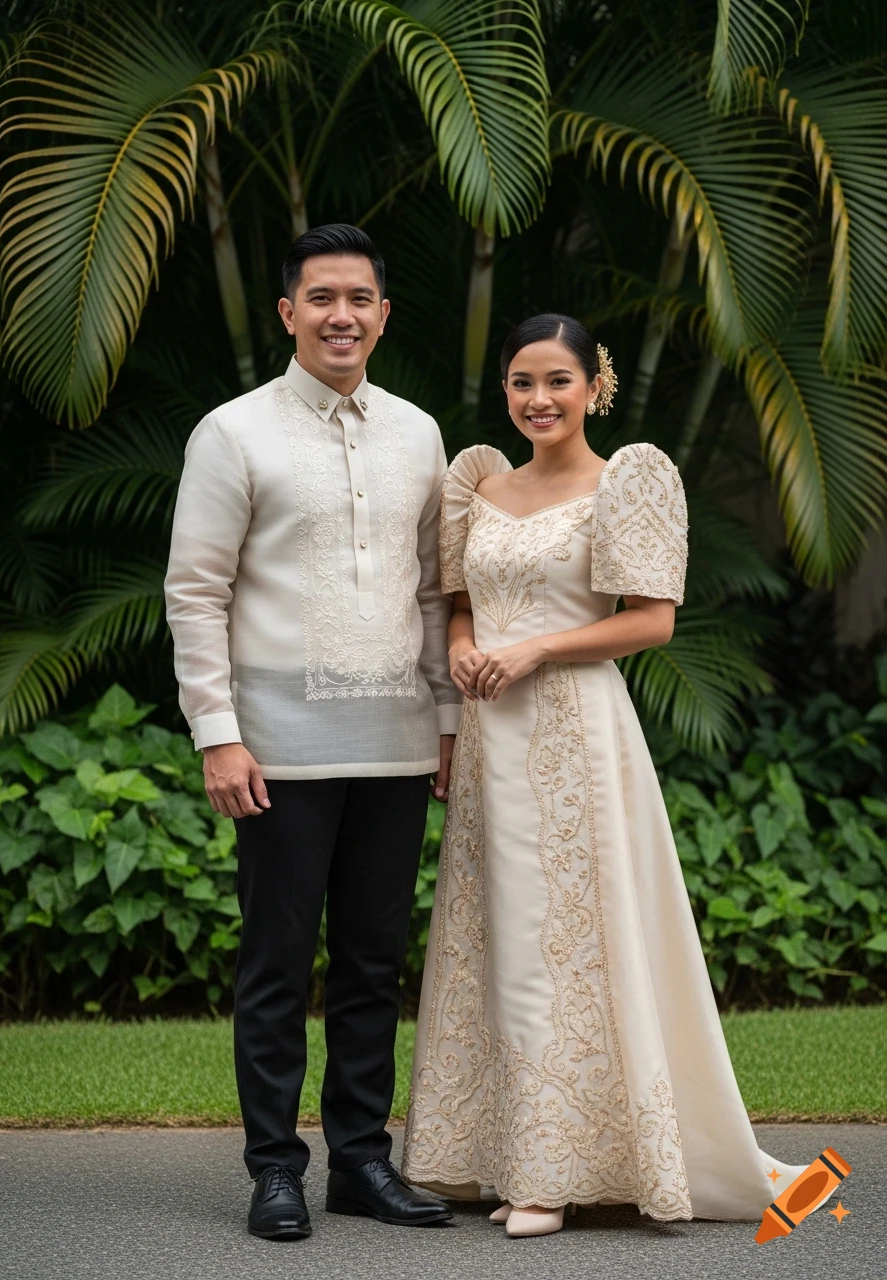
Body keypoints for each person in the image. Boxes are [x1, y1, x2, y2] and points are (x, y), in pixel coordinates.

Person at [401, 313, 811, 1237]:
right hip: (489, 732)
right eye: (520, 382)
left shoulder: (626, 482)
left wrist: (537, 649)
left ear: (595, 386)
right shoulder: (479, 485)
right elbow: (459, 608)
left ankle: (559, 1170)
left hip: (576, 732)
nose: (537, 400)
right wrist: (466, 651)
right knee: (498, 938)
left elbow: (651, 621)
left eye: (556, 381)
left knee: (575, 941)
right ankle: (499, 1153)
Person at [164, 224, 459, 1239]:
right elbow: (194, 592)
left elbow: (431, 590)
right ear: (287, 311)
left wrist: (447, 720)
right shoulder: (232, 433)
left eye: (360, 298)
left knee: (374, 963)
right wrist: (217, 730)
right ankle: (274, 1168)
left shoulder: (418, 433)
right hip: (277, 745)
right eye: (321, 297)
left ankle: (361, 1160)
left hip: (395, 741)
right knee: (278, 962)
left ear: (383, 312)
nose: (342, 314)